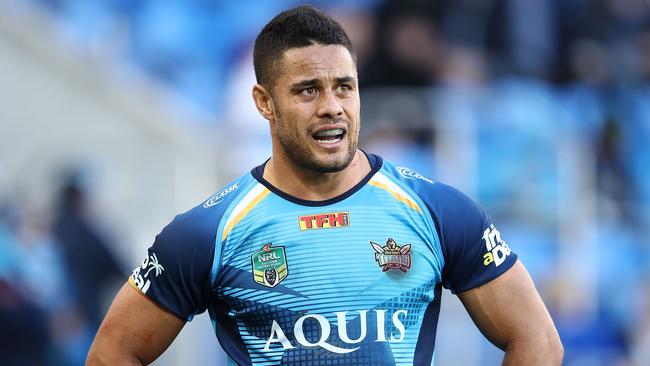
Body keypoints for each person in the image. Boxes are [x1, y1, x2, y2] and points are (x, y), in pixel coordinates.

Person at [86, 5, 563, 365]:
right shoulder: (209, 231)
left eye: (345, 86)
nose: (332, 106)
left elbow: (537, 340)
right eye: (308, 90)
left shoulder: (437, 210)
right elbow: (112, 353)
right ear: (264, 102)